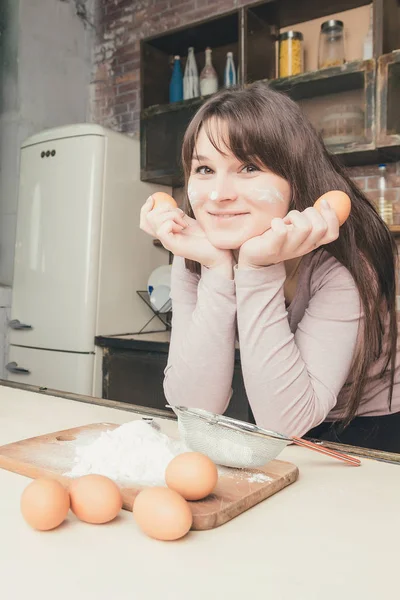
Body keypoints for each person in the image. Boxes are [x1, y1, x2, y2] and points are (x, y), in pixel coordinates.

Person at [140, 82, 400, 453]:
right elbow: (194, 407)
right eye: (204, 168)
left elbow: (288, 421)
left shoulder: (344, 266)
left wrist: (257, 269)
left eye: (247, 167)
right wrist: (216, 269)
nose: (217, 195)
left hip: (370, 423)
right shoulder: (197, 253)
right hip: (277, 400)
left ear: (296, 176)